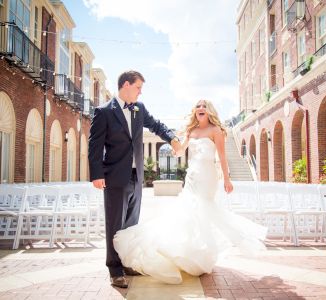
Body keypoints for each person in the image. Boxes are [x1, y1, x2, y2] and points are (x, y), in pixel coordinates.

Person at [113, 99, 267, 284]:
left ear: (209, 111)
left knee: (203, 213)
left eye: (204, 106)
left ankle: (202, 255)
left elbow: (223, 157)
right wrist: (173, 145)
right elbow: (180, 150)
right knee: (189, 213)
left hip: (207, 177)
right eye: (198, 106)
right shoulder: (191, 131)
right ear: (195, 111)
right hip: (192, 177)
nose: (200, 108)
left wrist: (227, 179)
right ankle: (192, 255)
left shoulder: (216, 131)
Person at [88, 70, 182, 288]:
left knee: (131, 224)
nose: (140, 93)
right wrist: (97, 174)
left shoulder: (140, 109)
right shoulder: (104, 112)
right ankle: (115, 269)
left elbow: (157, 125)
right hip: (114, 177)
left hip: (136, 176)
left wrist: (173, 137)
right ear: (127, 85)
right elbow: (95, 146)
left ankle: (128, 263)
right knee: (115, 225)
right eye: (138, 87)